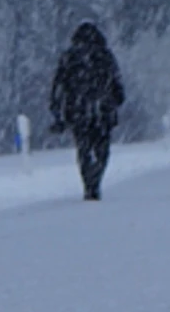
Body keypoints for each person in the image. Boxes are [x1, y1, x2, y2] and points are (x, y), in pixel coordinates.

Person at [48, 21, 126, 201]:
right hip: (103, 112)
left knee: (83, 148)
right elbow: (116, 82)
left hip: (78, 111)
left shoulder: (69, 57)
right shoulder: (105, 56)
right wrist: (116, 99)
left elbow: (58, 86)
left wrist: (57, 111)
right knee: (102, 149)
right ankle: (96, 177)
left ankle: (88, 181)